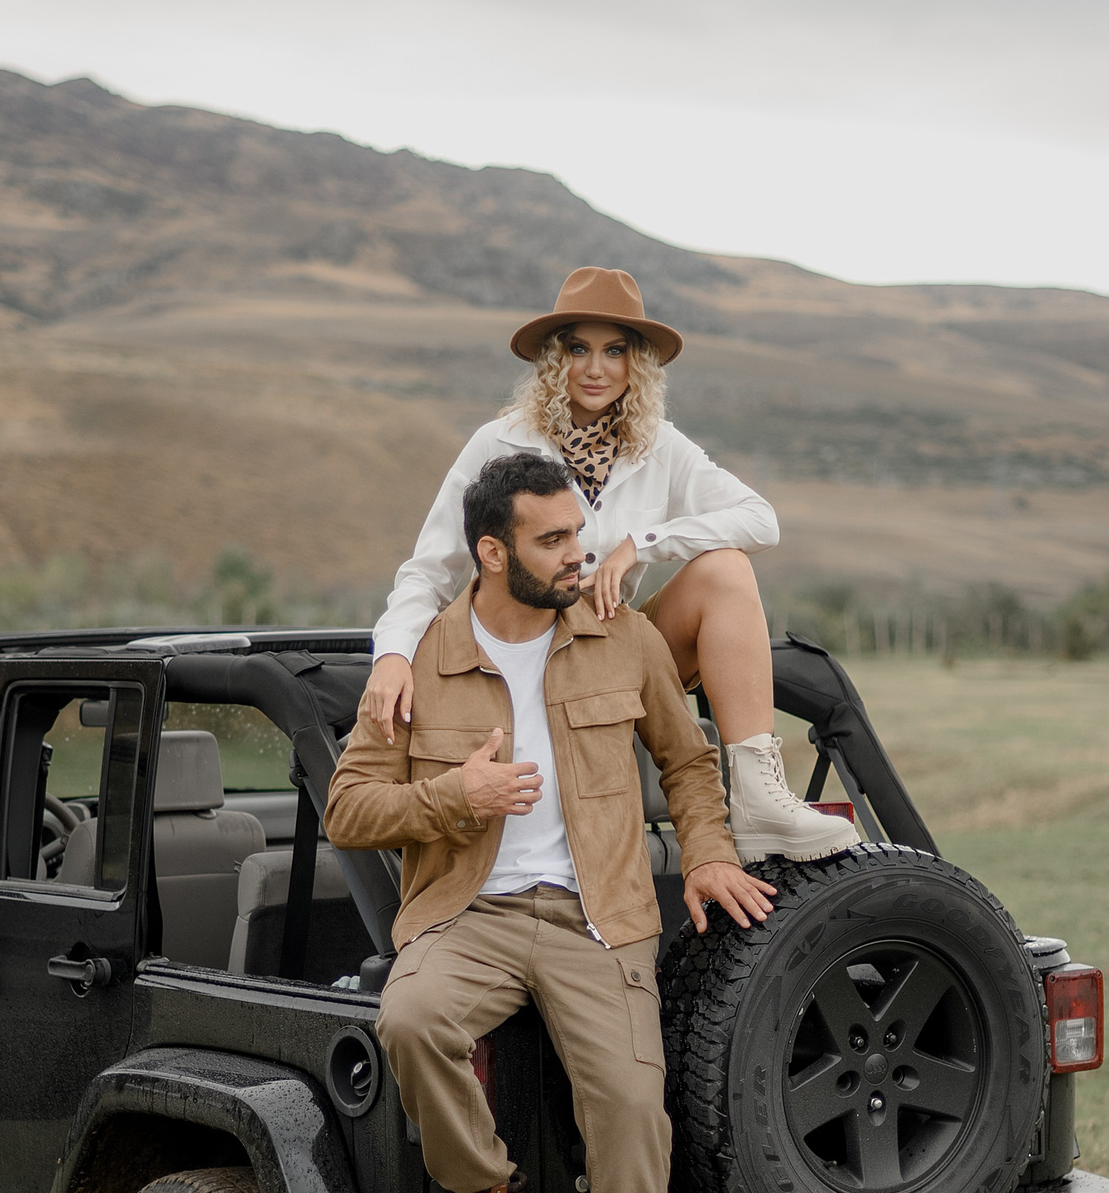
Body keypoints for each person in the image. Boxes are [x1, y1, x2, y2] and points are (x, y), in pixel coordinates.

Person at [328, 452, 780, 1193]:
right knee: (407, 1019)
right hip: (471, 914)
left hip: (598, 916)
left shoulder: (618, 638)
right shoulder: (423, 659)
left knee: (630, 1109)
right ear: (490, 553)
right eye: (553, 540)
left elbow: (685, 758)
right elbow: (348, 808)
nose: (580, 555)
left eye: (578, 532)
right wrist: (454, 798)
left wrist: (705, 851)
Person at [359, 265, 860, 864]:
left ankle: (756, 800)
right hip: (517, 661)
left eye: (614, 350)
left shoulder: (660, 446)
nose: (596, 369)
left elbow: (760, 519)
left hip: (612, 654)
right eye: (578, 349)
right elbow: (429, 570)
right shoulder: (499, 443)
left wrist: (642, 543)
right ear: (554, 359)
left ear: (636, 363)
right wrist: (392, 654)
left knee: (725, 569)